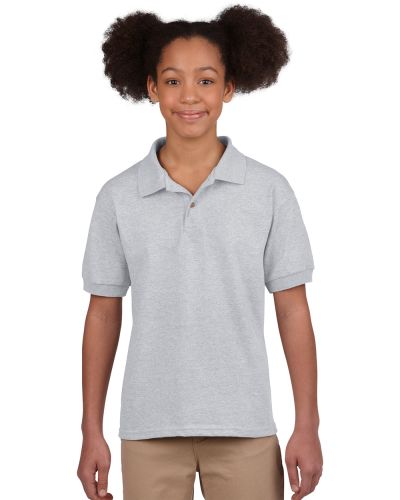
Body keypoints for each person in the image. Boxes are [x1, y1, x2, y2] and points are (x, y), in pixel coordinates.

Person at [77, 4, 323, 500]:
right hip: (148, 428)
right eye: (172, 81)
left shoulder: (269, 191)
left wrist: (308, 425)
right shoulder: (118, 197)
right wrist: (90, 431)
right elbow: (102, 313)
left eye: (206, 80)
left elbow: (293, 310)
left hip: (246, 426)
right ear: (151, 88)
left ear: (229, 88)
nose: (189, 95)